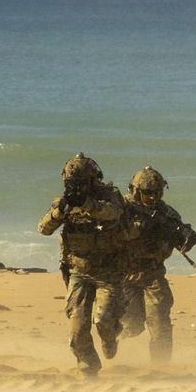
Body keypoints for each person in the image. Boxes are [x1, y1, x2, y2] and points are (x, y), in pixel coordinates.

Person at [37, 153, 128, 377]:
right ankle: (89, 369)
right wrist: (60, 211)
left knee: (104, 320)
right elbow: (44, 228)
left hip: (108, 270)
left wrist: (89, 205)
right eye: (71, 183)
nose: (77, 187)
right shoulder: (65, 202)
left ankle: (112, 335)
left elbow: (114, 212)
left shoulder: (109, 196)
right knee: (77, 331)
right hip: (78, 270)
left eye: (81, 182)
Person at [118, 166, 196, 363]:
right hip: (124, 274)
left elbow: (181, 244)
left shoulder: (167, 213)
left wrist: (187, 238)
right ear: (136, 191)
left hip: (153, 274)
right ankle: (113, 346)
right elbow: (110, 236)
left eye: (158, 192)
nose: (153, 197)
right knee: (132, 325)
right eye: (148, 193)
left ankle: (161, 366)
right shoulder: (121, 209)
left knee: (160, 324)